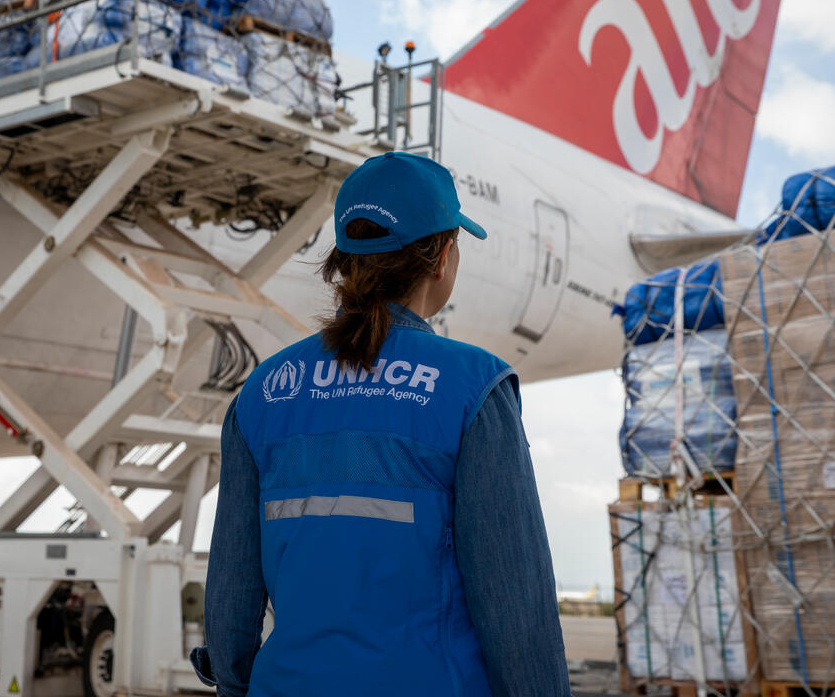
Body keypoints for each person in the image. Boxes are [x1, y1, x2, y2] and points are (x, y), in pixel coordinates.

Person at [191, 152, 570, 696]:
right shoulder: (472, 388)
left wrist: (235, 685)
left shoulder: (265, 392)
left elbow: (232, 591)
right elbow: (516, 604)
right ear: (442, 257)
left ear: (345, 261)